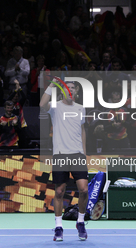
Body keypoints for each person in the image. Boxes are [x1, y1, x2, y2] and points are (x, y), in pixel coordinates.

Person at [39, 78, 88, 242]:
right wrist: (51, 85)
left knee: (84, 190)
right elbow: (41, 104)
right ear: (62, 91)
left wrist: (84, 153)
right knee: (59, 192)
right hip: (60, 154)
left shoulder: (81, 108)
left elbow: (82, 131)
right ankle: (59, 227)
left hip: (77, 154)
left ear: (77, 92)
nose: (71, 90)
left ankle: (80, 222)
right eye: (68, 88)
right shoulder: (55, 106)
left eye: (73, 88)